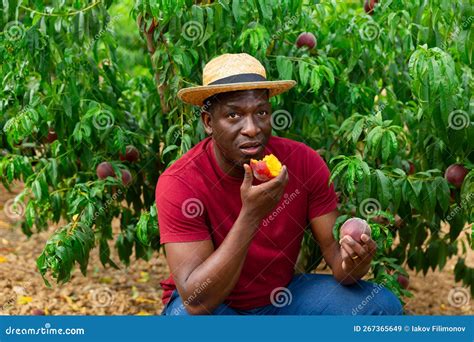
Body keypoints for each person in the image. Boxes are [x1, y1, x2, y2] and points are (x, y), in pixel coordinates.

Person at [155, 53, 402, 315]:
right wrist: (251, 216)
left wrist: (357, 259)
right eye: (233, 115)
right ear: (208, 122)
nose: (251, 128)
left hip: (280, 300)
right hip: (213, 308)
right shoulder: (180, 182)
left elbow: (339, 262)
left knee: (381, 307)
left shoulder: (302, 162)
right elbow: (196, 301)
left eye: (261, 112)